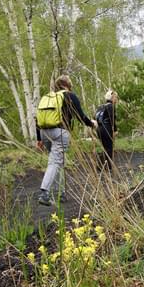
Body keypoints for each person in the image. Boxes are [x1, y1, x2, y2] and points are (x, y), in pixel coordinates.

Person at [37, 75, 97, 206]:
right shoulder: (70, 96)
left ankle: (61, 193)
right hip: (60, 132)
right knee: (55, 162)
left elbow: (39, 118)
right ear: (67, 85)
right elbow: (81, 117)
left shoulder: (48, 97)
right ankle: (44, 193)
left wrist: (38, 138)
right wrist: (92, 124)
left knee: (58, 162)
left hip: (44, 132)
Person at [96, 89, 118, 170]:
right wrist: (115, 130)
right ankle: (108, 167)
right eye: (115, 97)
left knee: (105, 147)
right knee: (109, 148)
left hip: (99, 129)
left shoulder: (101, 106)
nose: (116, 99)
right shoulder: (111, 106)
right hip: (106, 128)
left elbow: (95, 118)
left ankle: (100, 165)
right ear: (111, 98)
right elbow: (112, 119)